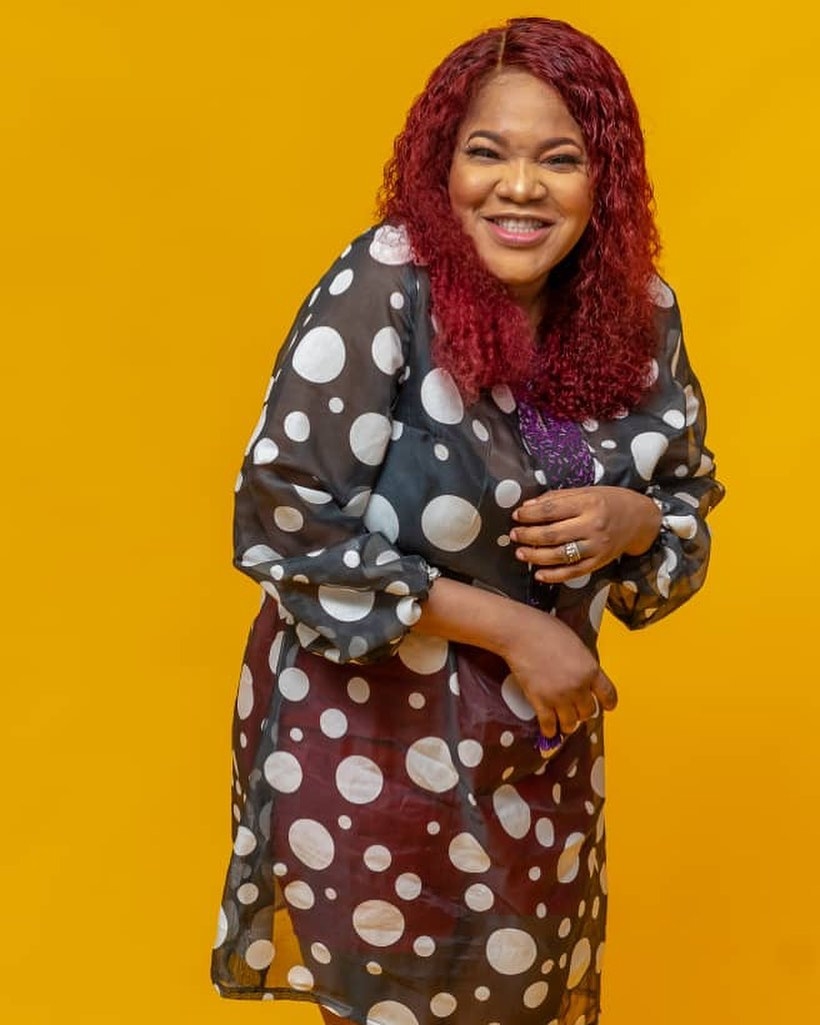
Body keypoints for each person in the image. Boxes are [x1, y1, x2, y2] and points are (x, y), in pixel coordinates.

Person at [211, 16, 724, 1025]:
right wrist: (518, 628)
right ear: (439, 167)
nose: (519, 187)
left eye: (560, 159)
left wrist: (631, 520)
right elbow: (285, 519)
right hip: (368, 748)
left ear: (605, 180)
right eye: (486, 152)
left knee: (528, 999)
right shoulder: (386, 282)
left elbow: (684, 507)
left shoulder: (638, 310)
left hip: (537, 751)